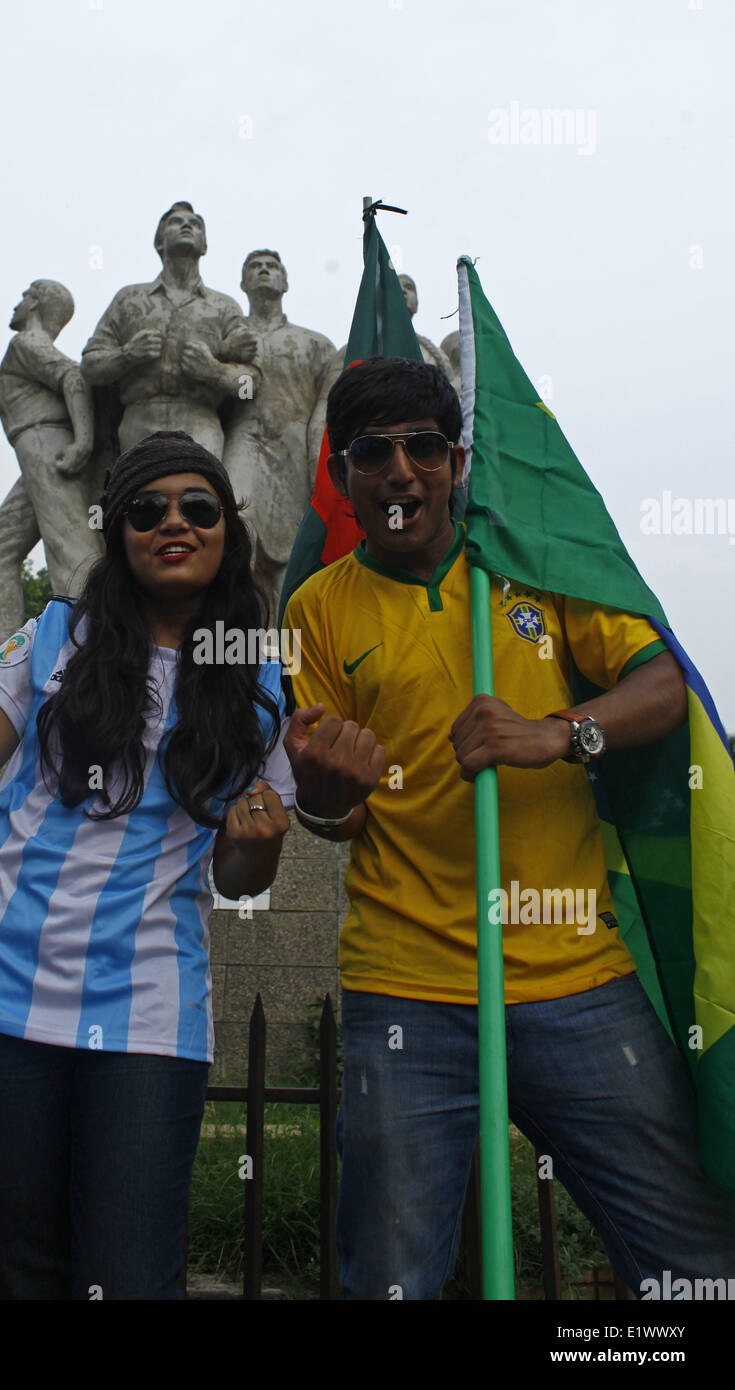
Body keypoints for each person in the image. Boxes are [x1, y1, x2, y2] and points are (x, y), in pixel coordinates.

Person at [281, 356, 735, 1300]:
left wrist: (557, 734)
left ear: (457, 461)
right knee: (390, 1282)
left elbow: (660, 684)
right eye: (372, 451)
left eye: (422, 448)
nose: (400, 470)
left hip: (579, 978)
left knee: (692, 1271)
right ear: (340, 474)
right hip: (404, 985)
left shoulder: (532, 565)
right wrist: (324, 794)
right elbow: (339, 814)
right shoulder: (313, 609)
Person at [0, 430, 295, 1300]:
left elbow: (241, 878)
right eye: (145, 509)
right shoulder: (61, 628)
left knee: (131, 1279)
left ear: (227, 532)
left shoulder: (258, 674)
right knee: (25, 1277)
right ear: (117, 531)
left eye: (197, 507)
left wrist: (261, 839)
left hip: (146, 1011)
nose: (171, 523)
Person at [0, 279, 101, 666]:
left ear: (38, 304)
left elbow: (73, 377)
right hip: (35, 451)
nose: (18, 303)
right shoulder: (28, 344)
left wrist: (83, 442)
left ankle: (93, 646)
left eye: (25, 296)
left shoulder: (25, 343)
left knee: (70, 549)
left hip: (49, 447)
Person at [81, 202, 259, 458]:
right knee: (141, 497)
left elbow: (251, 387)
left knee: (198, 496)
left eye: (195, 224)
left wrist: (215, 372)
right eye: (176, 222)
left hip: (200, 421)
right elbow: (90, 367)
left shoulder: (224, 306)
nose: (186, 225)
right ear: (159, 243)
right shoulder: (130, 299)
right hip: (139, 420)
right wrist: (127, 355)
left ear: (205, 246)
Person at [222, 248, 336, 612]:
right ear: (243, 282)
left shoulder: (315, 344)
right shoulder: (229, 339)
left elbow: (328, 408)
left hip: (296, 452)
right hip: (244, 441)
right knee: (235, 529)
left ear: (285, 281)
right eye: (255, 267)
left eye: (272, 267)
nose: (264, 271)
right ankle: (236, 634)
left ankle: (286, 648)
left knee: (294, 552)